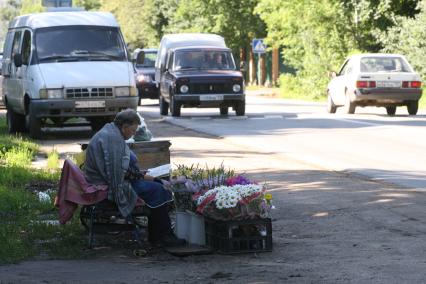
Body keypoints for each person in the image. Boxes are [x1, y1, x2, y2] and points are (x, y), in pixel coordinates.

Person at [84, 109, 185, 247]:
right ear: (124, 126)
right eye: (132, 130)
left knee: (158, 187)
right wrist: (147, 177)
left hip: (109, 180)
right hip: (110, 186)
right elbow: (119, 173)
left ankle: (159, 235)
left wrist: (146, 176)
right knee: (159, 190)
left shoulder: (111, 132)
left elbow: (121, 168)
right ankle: (162, 236)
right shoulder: (112, 139)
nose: (134, 133)